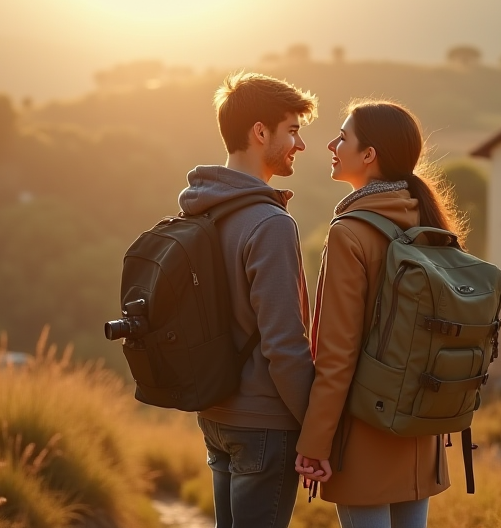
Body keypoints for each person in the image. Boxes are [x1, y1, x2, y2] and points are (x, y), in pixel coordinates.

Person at [295, 100, 465, 528]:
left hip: (365, 432)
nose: (332, 145)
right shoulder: (428, 222)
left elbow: (337, 355)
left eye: (343, 137)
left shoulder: (350, 233)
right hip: (421, 428)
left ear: (369, 154)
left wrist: (315, 442)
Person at [178, 71, 319, 528]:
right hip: (264, 422)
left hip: (215, 412)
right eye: (292, 131)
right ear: (260, 132)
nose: (300, 145)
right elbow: (285, 343)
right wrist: (318, 429)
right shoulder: (270, 223)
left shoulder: (201, 209)